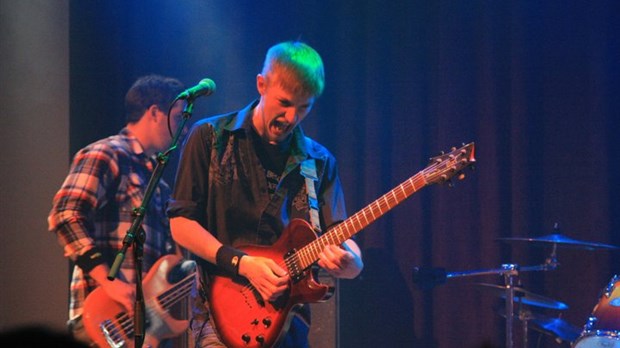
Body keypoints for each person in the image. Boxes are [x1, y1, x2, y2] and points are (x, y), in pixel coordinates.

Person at [167, 41, 364, 347]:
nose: (291, 117)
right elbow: (181, 222)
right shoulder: (210, 138)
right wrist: (242, 264)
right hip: (219, 318)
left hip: (289, 322)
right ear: (261, 84)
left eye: (303, 107)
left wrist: (353, 263)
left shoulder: (319, 161)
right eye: (284, 103)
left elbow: (338, 233)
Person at [48, 74, 190, 347]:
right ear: (155, 113)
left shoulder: (158, 186)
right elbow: (65, 214)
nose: (184, 128)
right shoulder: (107, 153)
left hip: (145, 329)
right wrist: (108, 280)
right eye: (180, 116)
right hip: (104, 320)